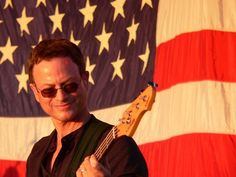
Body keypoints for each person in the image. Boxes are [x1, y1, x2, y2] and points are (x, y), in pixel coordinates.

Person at [26, 38, 148, 177]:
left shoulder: (118, 146)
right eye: (48, 90)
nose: (61, 97)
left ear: (85, 79)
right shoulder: (38, 152)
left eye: (70, 86)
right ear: (36, 92)